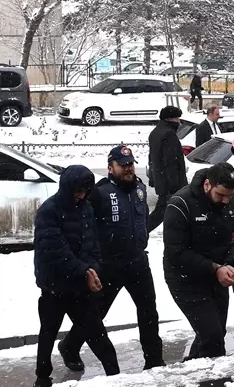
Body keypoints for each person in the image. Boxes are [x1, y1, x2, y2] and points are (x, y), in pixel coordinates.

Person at [59, 146, 165, 372]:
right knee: (96, 313)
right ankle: (69, 346)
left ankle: (154, 359)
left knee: (148, 311)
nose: (128, 169)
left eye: (130, 164)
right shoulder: (100, 193)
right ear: (110, 168)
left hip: (137, 261)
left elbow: (142, 217)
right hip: (110, 264)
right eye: (122, 165)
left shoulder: (140, 188)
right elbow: (85, 226)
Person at [33, 165, 120, 387]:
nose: (81, 196)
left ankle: (116, 376)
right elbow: (54, 251)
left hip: (80, 288)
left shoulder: (86, 208)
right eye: (78, 191)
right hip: (54, 286)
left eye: (85, 192)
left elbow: (93, 244)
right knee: (48, 334)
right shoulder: (49, 211)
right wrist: (85, 271)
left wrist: (93, 269)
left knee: (97, 334)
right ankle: (42, 378)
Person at [163, 163, 234, 360]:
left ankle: (193, 365)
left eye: (230, 196)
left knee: (216, 332)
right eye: (220, 195)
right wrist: (215, 267)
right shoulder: (181, 204)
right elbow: (177, 251)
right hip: (185, 278)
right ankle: (213, 376)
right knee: (212, 336)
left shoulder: (232, 201)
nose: (226, 201)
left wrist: (231, 262)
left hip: (218, 274)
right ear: (207, 184)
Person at [147, 105, 186, 232]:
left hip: (162, 181)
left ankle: (141, 233)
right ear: (170, 119)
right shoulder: (169, 134)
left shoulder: (155, 132)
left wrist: (153, 178)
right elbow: (170, 161)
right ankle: (141, 233)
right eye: (177, 119)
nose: (179, 122)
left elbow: (152, 158)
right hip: (170, 184)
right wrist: (174, 185)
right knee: (162, 213)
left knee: (165, 212)